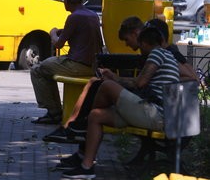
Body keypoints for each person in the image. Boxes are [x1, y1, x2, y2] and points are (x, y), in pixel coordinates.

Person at [48, 16, 196, 169]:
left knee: (106, 86)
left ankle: (78, 126)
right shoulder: (163, 55)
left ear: (145, 40)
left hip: (156, 114)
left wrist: (115, 79)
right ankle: (85, 165)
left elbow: (140, 83)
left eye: (139, 43)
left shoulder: (160, 54)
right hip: (151, 111)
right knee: (96, 115)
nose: (137, 48)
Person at [30, 0, 103, 124]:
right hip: (93, 64)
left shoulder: (74, 17)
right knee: (48, 69)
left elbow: (58, 44)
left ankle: (54, 112)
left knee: (38, 70)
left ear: (67, 0)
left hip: (77, 65)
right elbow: (77, 33)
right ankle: (55, 110)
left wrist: (52, 33)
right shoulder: (92, 15)